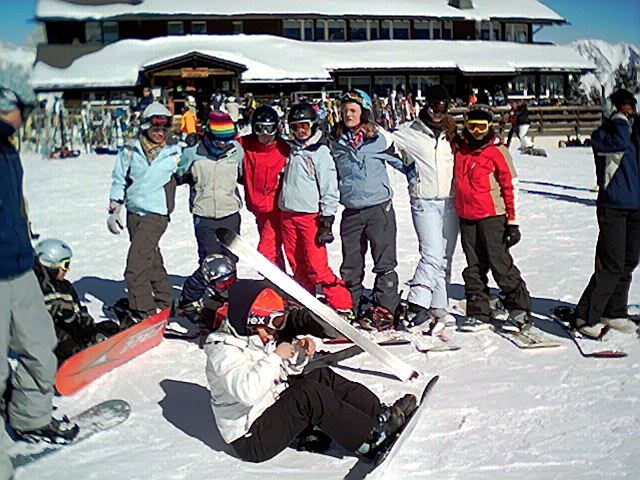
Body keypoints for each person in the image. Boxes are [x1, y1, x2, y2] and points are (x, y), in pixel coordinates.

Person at [203, 284, 417, 463]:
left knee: (318, 374)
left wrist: (299, 355)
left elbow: (282, 374)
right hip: (251, 439)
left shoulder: (256, 338)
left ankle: (377, 414)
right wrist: (276, 356)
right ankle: (369, 440)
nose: (273, 331)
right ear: (251, 321)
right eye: (270, 325)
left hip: (270, 412)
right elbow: (247, 393)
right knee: (308, 395)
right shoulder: (224, 352)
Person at [1, 88, 78, 480]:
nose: (19, 118)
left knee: (39, 347)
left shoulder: (8, 151)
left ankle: (31, 418)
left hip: (18, 266)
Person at [557, 89, 639, 338]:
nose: (628, 113)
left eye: (631, 109)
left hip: (635, 207)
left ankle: (614, 311)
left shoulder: (634, 133)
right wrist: (619, 121)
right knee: (611, 264)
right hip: (612, 207)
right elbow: (619, 143)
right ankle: (585, 316)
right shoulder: (603, 135)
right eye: (622, 109)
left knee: (628, 262)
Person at [453, 98, 532, 332]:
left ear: (489, 127)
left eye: (482, 127)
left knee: (499, 262)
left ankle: (519, 307)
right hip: (467, 216)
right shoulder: (461, 151)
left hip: (492, 216)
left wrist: (512, 221)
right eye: (473, 126)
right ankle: (479, 310)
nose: (477, 132)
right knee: (474, 266)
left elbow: (510, 186)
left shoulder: (497, 152)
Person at [329, 89, 405, 330]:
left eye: (353, 110)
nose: (348, 115)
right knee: (351, 263)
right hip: (351, 210)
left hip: (378, 209)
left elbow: (405, 163)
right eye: (344, 111)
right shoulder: (335, 142)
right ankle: (350, 304)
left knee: (384, 260)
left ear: (364, 112)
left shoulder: (379, 140)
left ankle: (385, 308)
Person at [386, 85, 459, 332]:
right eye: (433, 106)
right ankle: (416, 304)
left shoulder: (452, 134)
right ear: (425, 105)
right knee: (432, 254)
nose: (437, 112)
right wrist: (407, 168)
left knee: (444, 258)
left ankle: (439, 306)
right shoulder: (410, 132)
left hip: (450, 202)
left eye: (443, 108)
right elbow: (385, 143)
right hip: (424, 201)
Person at [107, 102, 181, 321]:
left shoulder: (175, 152)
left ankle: (143, 311)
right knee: (151, 260)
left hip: (156, 214)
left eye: (164, 129)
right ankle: (165, 302)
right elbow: (119, 179)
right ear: (146, 127)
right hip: (133, 213)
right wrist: (114, 207)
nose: (160, 133)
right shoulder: (130, 150)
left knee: (136, 266)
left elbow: (194, 166)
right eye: (156, 129)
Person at [280, 103, 353, 315]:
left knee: (317, 265)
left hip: (310, 217)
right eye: (295, 127)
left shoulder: (320, 152)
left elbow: (330, 188)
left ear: (313, 125)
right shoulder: (291, 150)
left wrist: (327, 220)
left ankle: (342, 304)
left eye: (304, 126)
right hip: (287, 215)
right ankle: (305, 300)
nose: (300, 131)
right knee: (296, 263)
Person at [176, 111, 243, 307]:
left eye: (227, 140)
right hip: (204, 214)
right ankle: (189, 300)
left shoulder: (236, 150)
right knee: (210, 262)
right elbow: (178, 175)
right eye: (219, 140)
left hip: (230, 213)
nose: (223, 145)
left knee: (230, 261)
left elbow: (243, 174)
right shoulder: (192, 153)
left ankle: (226, 299)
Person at [33, 239, 120, 365]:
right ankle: (68, 362)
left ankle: (96, 350)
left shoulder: (65, 287)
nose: (67, 270)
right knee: (66, 341)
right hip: (47, 343)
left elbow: (78, 311)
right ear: (50, 265)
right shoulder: (34, 289)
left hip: (73, 332)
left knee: (109, 327)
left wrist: (88, 328)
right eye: (65, 265)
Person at [239, 105, 288, 269]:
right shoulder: (246, 145)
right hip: (258, 208)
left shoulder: (284, 149)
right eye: (260, 129)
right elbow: (223, 141)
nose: (265, 134)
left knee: (266, 253)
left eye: (269, 129)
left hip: (277, 209)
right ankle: (279, 279)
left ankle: (275, 279)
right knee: (273, 249)